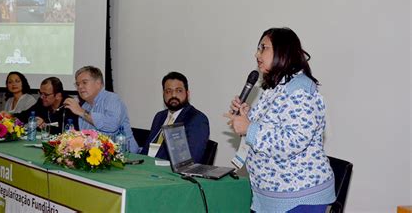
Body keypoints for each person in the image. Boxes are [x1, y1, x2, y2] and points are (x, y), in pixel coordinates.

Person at [224, 27, 335, 213]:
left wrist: (249, 128)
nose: (256, 54)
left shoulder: (300, 90)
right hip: (273, 195)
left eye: (263, 48)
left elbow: (294, 140)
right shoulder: (276, 87)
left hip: (299, 196)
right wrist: (247, 116)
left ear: (282, 51)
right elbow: (272, 126)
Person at [63, 66, 139, 153]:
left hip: (126, 157)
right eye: (77, 84)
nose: (80, 87)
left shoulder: (112, 99)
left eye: (84, 82)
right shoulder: (85, 106)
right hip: (98, 156)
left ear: (98, 83)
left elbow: (111, 126)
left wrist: (81, 112)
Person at [141, 72, 209, 163]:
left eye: (179, 90)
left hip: (167, 174)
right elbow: (146, 151)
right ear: (163, 94)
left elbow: (189, 161)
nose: (173, 95)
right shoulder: (159, 117)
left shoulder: (197, 119)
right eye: (168, 91)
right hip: (145, 168)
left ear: (187, 94)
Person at [14, 77, 79, 135]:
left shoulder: (70, 106)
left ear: (58, 96)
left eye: (45, 94)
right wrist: (10, 115)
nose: (42, 97)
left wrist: (45, 126)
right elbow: (25, 115)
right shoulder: (42, 101)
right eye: (41, 93)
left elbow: (68, 132)